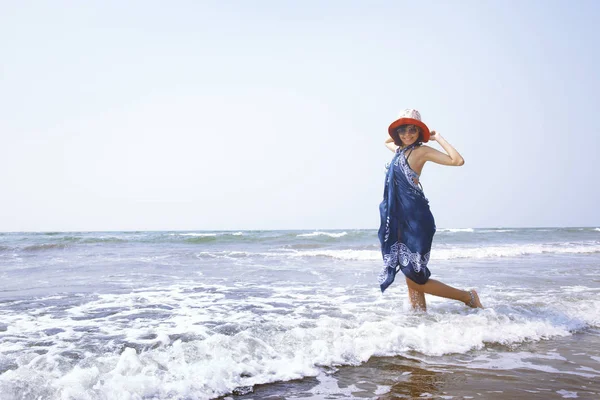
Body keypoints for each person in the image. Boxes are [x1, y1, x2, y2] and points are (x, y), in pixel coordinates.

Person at [378, 109, 483, 311]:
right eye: (402, 131)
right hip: (401, 221)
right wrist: (399, 132)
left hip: (416, 221)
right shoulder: (401, 151)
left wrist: (437, 138)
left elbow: (457, 160)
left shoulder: (421, 151)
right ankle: (420, 320)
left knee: (416, 278)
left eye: (412, 130)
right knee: (411, 275)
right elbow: (387, 142)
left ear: (419, 132)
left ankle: (468, 297)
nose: (407, 135)